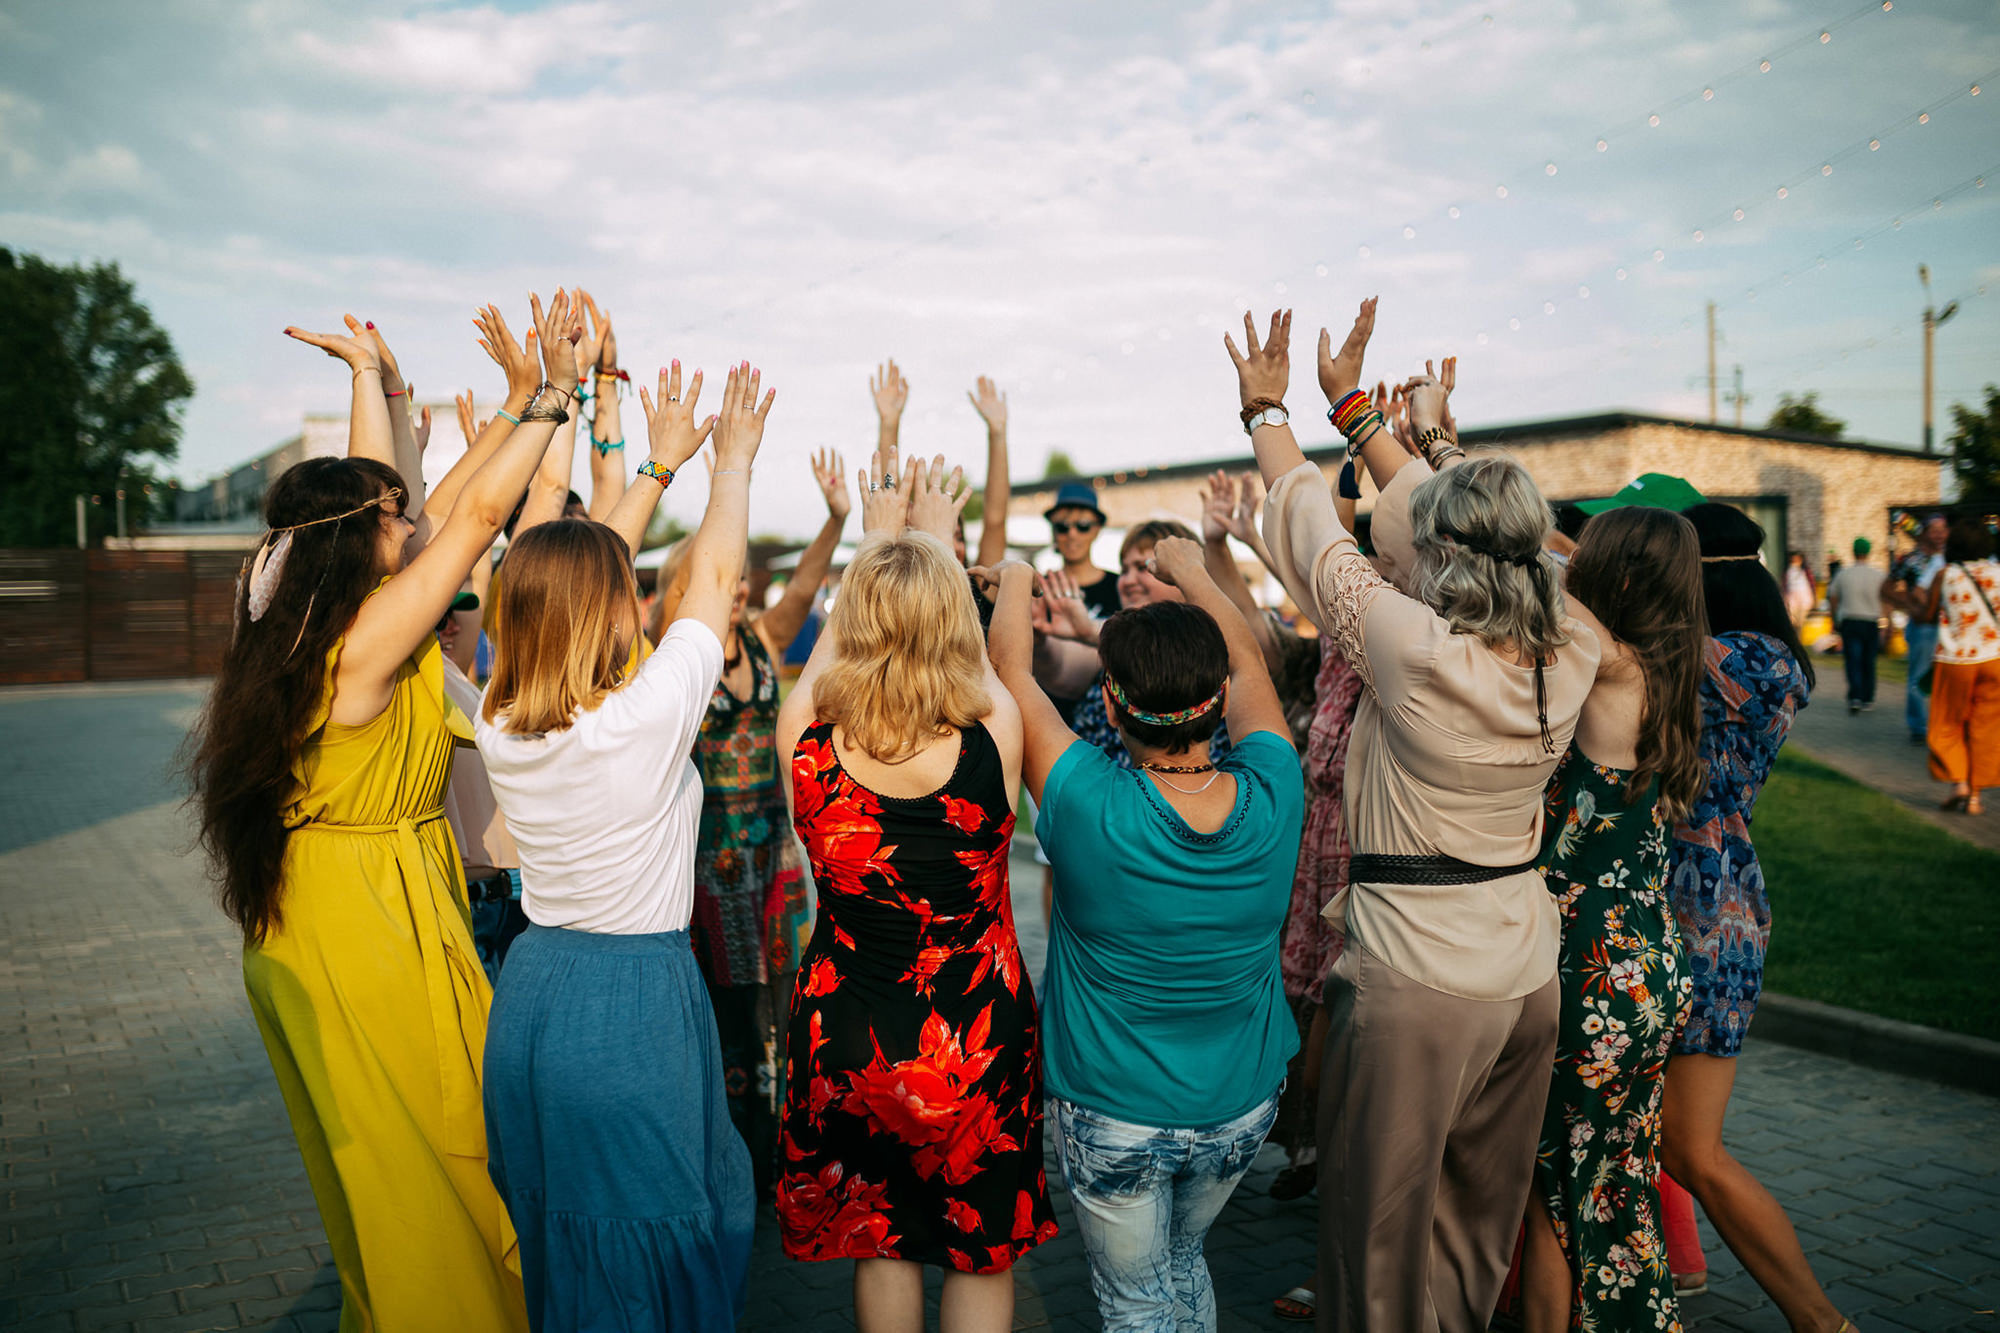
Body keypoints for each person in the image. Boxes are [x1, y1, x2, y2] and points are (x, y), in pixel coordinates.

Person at [187, 293, 589, 1330]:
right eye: (395, 522)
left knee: (407, 1168)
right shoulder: (363, 650)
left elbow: (403, 500)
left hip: (348, 907)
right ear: (362, 546)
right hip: (357, 928)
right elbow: (470, 519)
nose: (415, 519)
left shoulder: (300, 617)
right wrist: (546, 396)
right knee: (418, 1172)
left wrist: (370, 379)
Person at [1232, 305, 1598, 1333]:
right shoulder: (1567, 638)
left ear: (1441, 555)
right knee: (1475, 1223)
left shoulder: (1414, 648)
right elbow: (1503, 533)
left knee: (1375, 1241)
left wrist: (1270, 410)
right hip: (1524, 968)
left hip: (1417, 978)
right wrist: (1399, 427)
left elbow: (1310, 525)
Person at [475, 361, 769, 1330]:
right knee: (658, 1232)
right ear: (608, 609)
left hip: (534, 990)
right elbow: (715, 582)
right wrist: (728, 464)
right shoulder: (637, 725)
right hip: (628, 1001)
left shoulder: (498, 715)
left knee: (576, 1233)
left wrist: (656, 466)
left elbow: (552, 582)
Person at [988, 534, 1303, 1332]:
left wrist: (1016, 574)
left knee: (1135, 1302)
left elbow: (1011, 677)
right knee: (1184, 1260)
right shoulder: (1274, 789)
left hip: (1114, 1110)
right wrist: (1196, 572)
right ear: (1217, 696)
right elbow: (1258, 677)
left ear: (1115, 708)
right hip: (1239, 1105)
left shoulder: (1086, 799)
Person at [775, 450, 1056, 1333]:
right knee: (979, 1250)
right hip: (976, 1033)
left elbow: (829, 660)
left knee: (881, 1236)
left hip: (849, 1027)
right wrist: (934, 546)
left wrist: (876, 545)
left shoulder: (808, 733)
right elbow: (974, 660)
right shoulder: (992, 727)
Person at [1660, 503, 1852, 1333]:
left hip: (1702, 908)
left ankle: (1820, 1318)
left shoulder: (1749, 662)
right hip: (1704, 898)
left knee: (1691, 1149)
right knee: (1664, 1146)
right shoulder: (1744, 656)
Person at [1518, 505, 1706, 1333]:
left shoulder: (1612, 665)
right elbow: (1546, 561)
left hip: (1592, 960)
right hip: (1649, 958)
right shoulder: (1667, 668)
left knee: (1553, 1190)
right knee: (1613, 1179)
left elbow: (1525, 557)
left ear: (1618, 577)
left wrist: (1432, 448)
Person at [653, 444, 850, 1189]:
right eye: (717, 579)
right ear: (683, 589)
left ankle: (793, 1145)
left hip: (777, 854)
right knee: (729, 1017)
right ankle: (739, 1154)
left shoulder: (765, 642)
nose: (733, 590)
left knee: (792, 1001)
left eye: (737, 580)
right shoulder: (671, 658)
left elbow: (803, 585)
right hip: (710, 862)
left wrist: (834, 518)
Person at [435, 586, 529, 982]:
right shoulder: (418, 681)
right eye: (441, 618)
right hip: (464, 907)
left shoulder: (453, 674)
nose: (455, 627)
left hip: (493, 901)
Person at [1924, 518, 2000, 814]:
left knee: (1947, 723)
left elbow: (1928, 613)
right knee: (1985, 726)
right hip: (1995, 657)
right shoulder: (1997, 572)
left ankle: (1960, 784)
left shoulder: (1946, 574)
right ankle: (1976, 797)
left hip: (1956, 658)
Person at [1891, 516, 1948, 743]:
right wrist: (1911, 606)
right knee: (1919, 675)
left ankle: (1938, 724)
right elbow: (1889, 587)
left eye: (1943, 529)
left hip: (1948, 626)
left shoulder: (1950, 556)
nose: (1939, 534)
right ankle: (1919, 727)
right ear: (1924, 532)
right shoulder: (1912, 559)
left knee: (1944, 678)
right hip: (1924, 626)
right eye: (1934, 529)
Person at [1044, 479, 1120, 617]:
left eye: (1083, 526)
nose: (1072, 534)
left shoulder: (1119, 587)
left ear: (1097, 530)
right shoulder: (1040, 589)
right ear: (1053, 531)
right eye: (1062, 527)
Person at [1828, 537, 1885, 715]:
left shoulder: (1843, 574)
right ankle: (1868, 697)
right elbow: (1885, 599)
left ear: (1853, 551)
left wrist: (1835, 618)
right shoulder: (1878, 575)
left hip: (1850, 620)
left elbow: (1833, 597)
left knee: (1853, 659)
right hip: (1871, 621)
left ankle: (1855, 696)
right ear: (1868, 552)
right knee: (1869, 660)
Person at [1782, 551, 1816, 629]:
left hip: (1804, 599)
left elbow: (1811, 585)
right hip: (1792, 600)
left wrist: (1814, 598)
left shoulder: (1805, 571)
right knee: (1792, 621)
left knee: (1802, 622)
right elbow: (1785, 586)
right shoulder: (1788, 571)